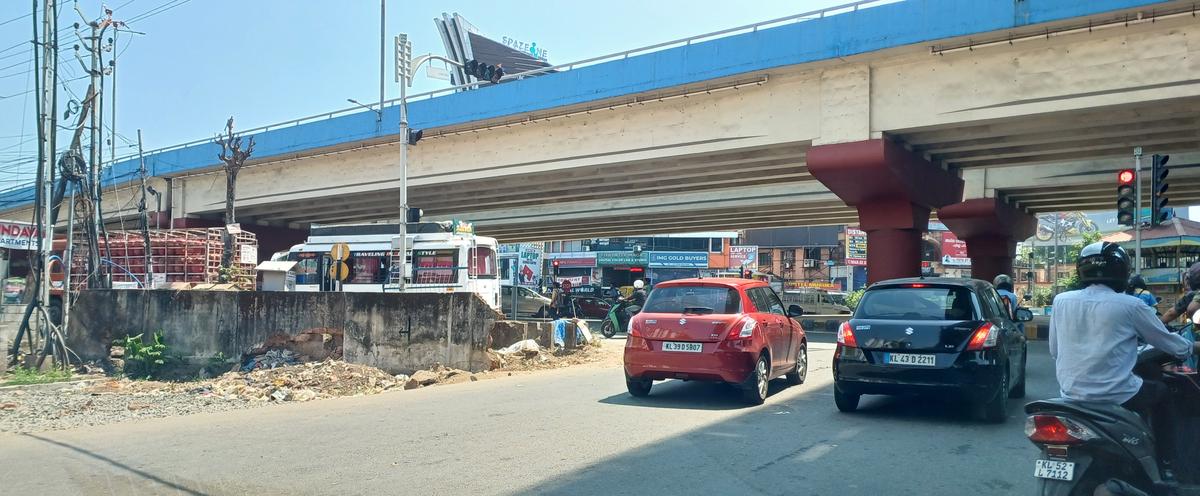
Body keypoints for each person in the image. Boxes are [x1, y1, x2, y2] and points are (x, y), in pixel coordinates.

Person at [1049, 241, 1199, 421]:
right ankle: (1168, 450)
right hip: (1119, 395)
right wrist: (1192, 346)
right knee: (1164, 392)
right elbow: (1173, 345)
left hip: (1070, 394)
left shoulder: (1061, 301)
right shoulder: (1131, 305)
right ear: (1122, 271)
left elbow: (1055, 350)